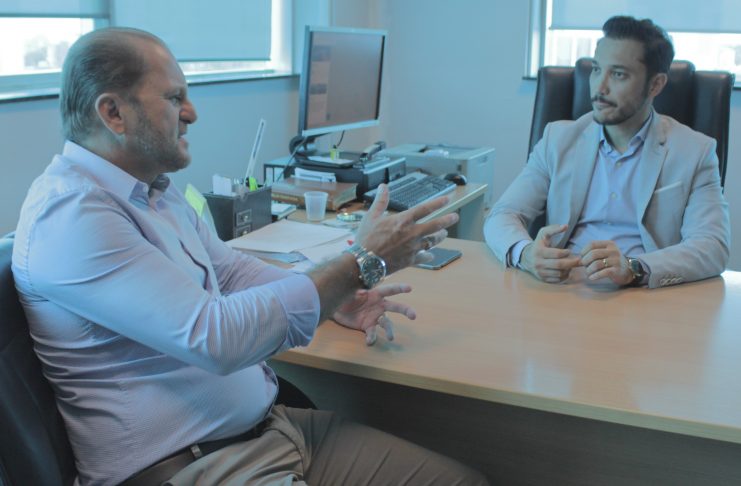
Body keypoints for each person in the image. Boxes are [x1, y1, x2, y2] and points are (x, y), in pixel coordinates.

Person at [12, 28, 488, 486]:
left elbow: (231, 271)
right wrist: (358, 263)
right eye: (175, 98)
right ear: (113, 113)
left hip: (268, 432)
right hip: (193, 468)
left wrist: (334, 297)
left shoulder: (152, 189)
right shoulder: (72, 217)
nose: (192, 113)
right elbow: (214, 338)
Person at [484, 15, 730, 289]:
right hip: (563, 289)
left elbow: (713, 246)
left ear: (655, 84)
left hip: (644, 295)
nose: (599, 88)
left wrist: (634, 268)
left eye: (618, 74)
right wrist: (526, 253)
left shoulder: (695, 151)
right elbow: (502, 215)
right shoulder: (558, 139)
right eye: (596, 70)